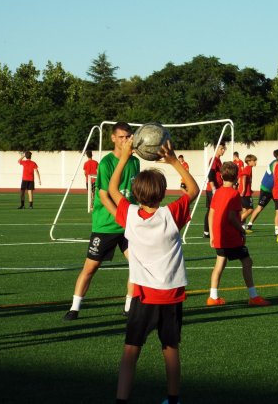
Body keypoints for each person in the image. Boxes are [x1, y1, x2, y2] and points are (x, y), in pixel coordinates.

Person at [109, 138, 199, 404]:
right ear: (162, 194)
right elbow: (193, 190)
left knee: (130, 351)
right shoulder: (172, 214)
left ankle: (121, 400)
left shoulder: (130, 215)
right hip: (171, 294)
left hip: (143, 294)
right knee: (170, 348)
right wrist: (173, 161)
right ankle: (173, 399)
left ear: (136, 194)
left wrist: (124, 157)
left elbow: (112, 189)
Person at [64, 122, 140, 321]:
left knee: (137, 265)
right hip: (106, 225)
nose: (126, 140)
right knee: (90, 268)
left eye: (128, 136)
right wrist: (121, 218)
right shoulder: (106, 163)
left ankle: (129, 307)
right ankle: (74, 307)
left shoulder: (135, 162)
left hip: (127, 225)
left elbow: (135, 193)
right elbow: (105, 196)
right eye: (122, 137)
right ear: (113, 138)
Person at [206, 161, 270, 307]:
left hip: (219, 236)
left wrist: (212, 234)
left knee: (219, 264)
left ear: (221, 177)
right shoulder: (234, 194)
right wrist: (242, 230)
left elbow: (211, 214)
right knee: (247, 262)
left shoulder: (217, 193)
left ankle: (212, 297)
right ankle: (253, 297)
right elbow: (231, 217)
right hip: (231, 237)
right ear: (236, 178)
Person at [246, 149, 278, 233]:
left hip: (275, 190)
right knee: (260, 207)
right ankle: (249, 224)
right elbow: (276, 177)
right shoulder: (275, 163)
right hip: (266, 189)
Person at [203, 142, 226, 238]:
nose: (223, 151)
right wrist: (213, 188)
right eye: (222, 149)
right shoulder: (214, 160)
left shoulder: (219, 161)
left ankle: (209, 231)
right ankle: (207, 231)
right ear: (217, 149)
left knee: (216, 210)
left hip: (218, 188)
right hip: (213, 189)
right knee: (212, 210)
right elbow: (211, 175)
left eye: (224, 149)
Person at [238, 154, 257, 226]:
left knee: (245, 210)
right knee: (250, 209)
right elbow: (244, 177)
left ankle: (242, 226)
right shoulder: (248, 168)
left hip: (246, 192)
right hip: (245, 193)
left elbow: (241, 179)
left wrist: (249, 189)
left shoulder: (249, 168)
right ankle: (238, 221)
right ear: (249, 161)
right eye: (254, 161)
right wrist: (243, 189)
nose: (255, 162)